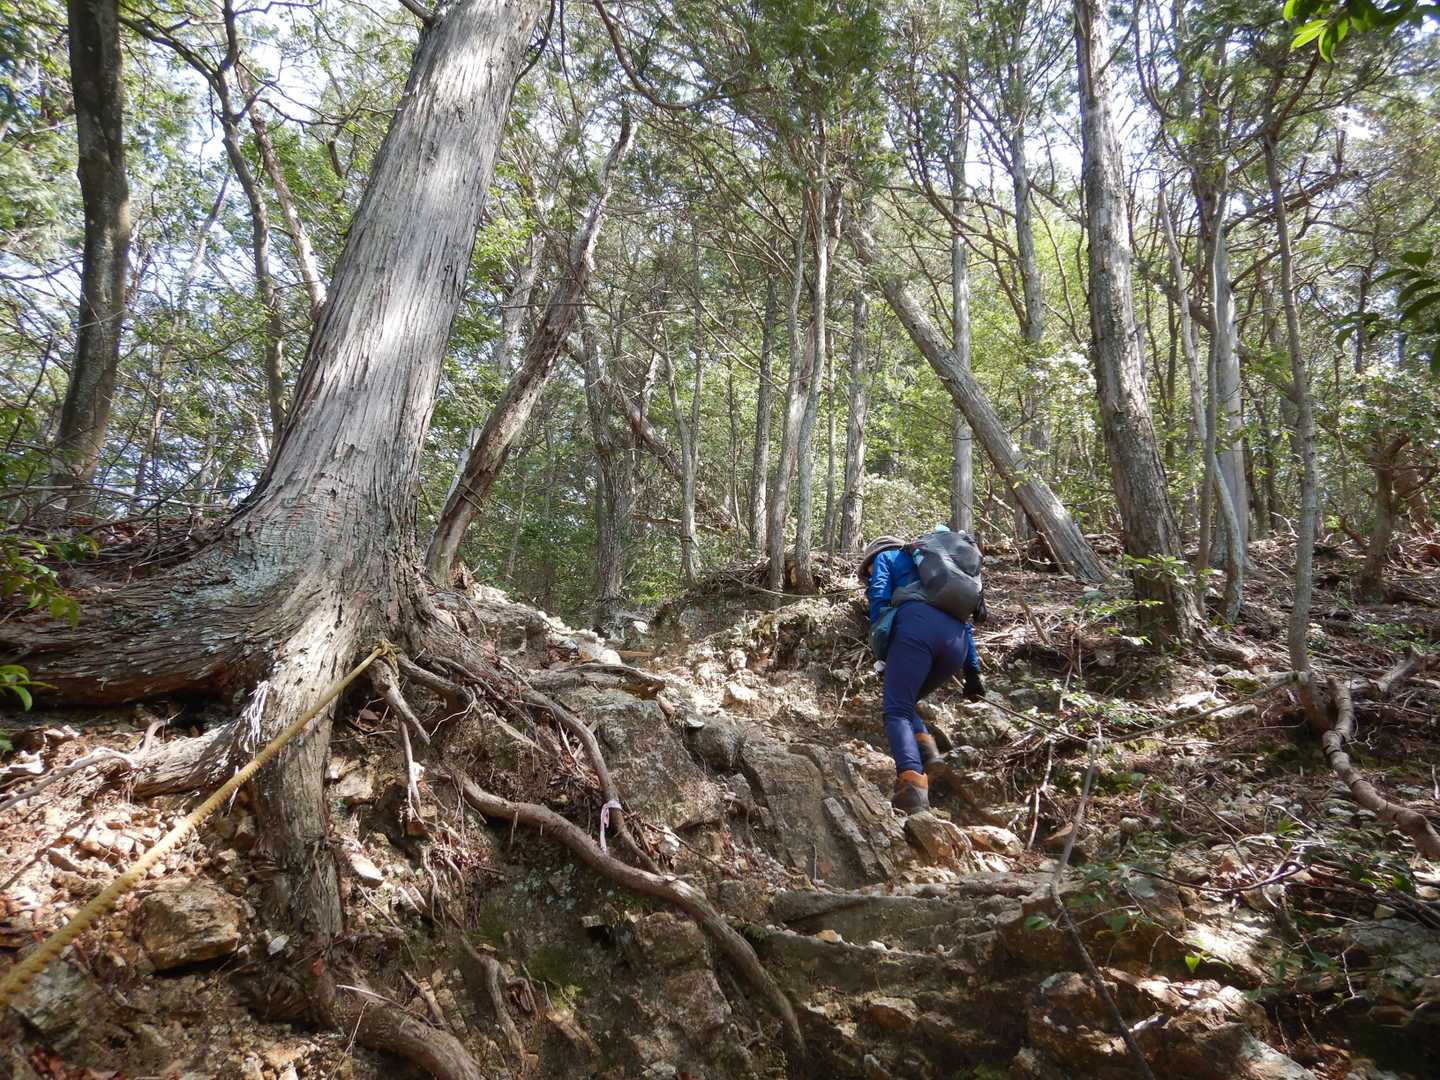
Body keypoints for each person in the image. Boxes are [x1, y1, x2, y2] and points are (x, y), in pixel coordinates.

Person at [860, 532, 986, 814]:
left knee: (895, 710)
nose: (868, 577)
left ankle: (912, 790)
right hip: (956, 643)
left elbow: (879, 595)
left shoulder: (885, 557)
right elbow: (965, 622)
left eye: (867, 572)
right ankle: (927, 750)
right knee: (906, 701)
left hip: (917, 628)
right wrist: (973, 673)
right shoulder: (934, 570)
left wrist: (881, 643)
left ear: (872, 558)